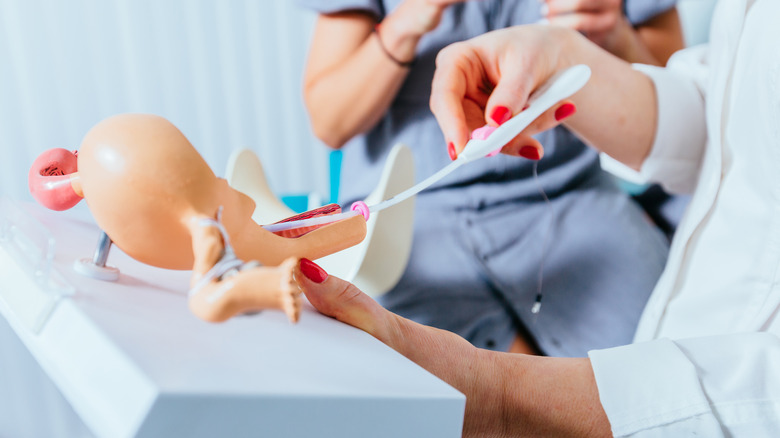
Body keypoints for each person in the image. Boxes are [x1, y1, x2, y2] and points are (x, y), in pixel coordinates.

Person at [293, 0, 780, 435]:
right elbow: (722, 111)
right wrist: (560, 53)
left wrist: (502, 399)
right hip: (421, 220)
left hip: (571, 206)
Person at [297, 0, 683, 356]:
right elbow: (330, 122)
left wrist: (614, 37)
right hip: (411, 221)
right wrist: (407, 23)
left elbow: (683, 105)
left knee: (666, 355)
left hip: (570, 198)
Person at [29, 114, 367, 323]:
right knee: (273, 243)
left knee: (281, 238)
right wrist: (260, 288)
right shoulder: (204, 228)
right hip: (210, 223)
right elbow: (204, 300)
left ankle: (353, 223)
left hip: (212, 221)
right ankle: (352, 225)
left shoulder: (101, 167)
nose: (245, 198)